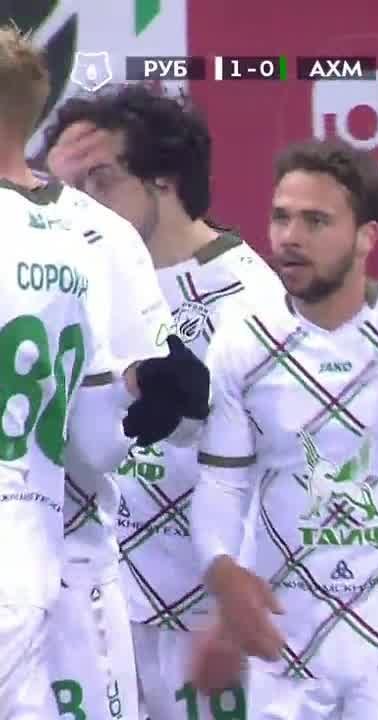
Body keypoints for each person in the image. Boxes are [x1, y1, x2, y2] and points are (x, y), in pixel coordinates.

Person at [188, 138, 378, 720]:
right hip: (285, 645)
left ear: (367, 236)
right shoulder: (242, 340)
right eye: (281, 217)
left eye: (315, 221)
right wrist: (223, 575)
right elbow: (223, 482)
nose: (289, 237)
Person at [43, 83, 285, 720]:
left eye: (102, 180)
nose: (84, 205)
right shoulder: (74, 286)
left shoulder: (253, 301)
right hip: (101, 609)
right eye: (71, 187)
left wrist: (233, 611)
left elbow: (284, 473)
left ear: (166, 179)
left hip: (206, 622)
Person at [0, 27, 210, 718]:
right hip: (50, 560)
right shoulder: (99, 235)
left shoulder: (100, 236)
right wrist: (142, 388)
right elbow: (110, 433)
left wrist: (145, 391)